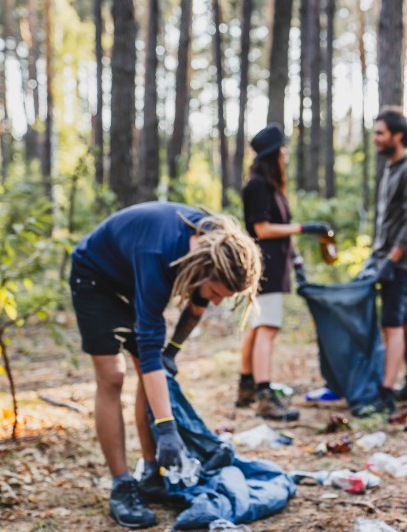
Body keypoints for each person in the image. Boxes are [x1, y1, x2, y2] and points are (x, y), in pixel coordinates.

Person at [69, 202, 262, 529]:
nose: (216, 301)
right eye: (217, 292)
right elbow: (148, 350)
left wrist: (171, 351)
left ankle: (150, 471)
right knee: (113, 377)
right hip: (95, 276)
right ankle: (121, 484)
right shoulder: (158, 254)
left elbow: (197, 305)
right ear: (204, 270)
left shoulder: (212, 243)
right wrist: (167, 429)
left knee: (153, 370)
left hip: (128, 276)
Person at [239, 123, 333, 421]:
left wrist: (296, 259)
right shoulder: (257, 185)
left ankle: (246, 387)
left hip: (277, 265)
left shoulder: (273, 188)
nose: (285, 154)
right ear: (274, 153)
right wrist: (306, 228)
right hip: (263, 266)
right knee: (268, 328)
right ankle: (265, 396)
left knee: (259, 327)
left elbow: (279, 230)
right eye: (282, 149)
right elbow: (262, 229)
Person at [354, 108, 407, 417]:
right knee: (403, 320)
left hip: (401, 261)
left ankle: (385, 394)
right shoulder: (392, 166)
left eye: (380, 133)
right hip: (386, 258)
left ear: (397, 136)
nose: (375, 138)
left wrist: (392, 261)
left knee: (392, 324)